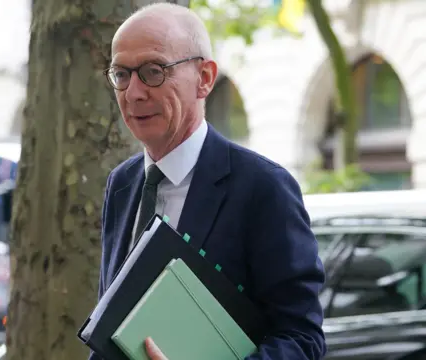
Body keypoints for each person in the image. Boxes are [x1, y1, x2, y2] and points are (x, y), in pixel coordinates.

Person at [93, 3, 326, 360]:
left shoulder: (263, 188)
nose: (134, 92)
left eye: (153, 72)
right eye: (122, 75)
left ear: (204, 78)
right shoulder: (122, 184)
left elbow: (302, 340)